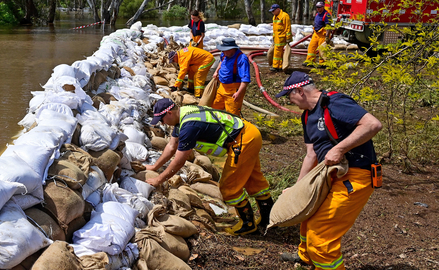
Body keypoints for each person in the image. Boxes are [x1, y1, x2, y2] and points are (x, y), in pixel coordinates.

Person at [276, 72, 382, 270]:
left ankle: (325, 263)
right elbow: (310, 155)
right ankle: (306, 257)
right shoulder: (307, 115)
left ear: (299, 91)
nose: (291, 102)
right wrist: (296, 189)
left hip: (355, 175)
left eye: (289, 96)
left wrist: (340, 148)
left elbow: (372, 124)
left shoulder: (334, 103)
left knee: (321, 232)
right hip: (329, 175)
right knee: (307, 215)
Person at [145, 98, 274, 236]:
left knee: (229, 187)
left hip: (243, 141)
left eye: (162, 119)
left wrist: (159, 179)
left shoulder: (189, 126)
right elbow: (171, 146)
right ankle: (268, 219)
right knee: (253, 179)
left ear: (169, 113)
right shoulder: (183, 115)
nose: (162, 123)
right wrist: (154, 167)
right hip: (249, 133)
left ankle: (248, 225)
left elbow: (179, 160)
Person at [212, 38, 251, 115]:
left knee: (232, 114)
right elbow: (221, 61)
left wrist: (239, 93)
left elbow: (245, 79)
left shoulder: (242, 59)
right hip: (222, 87)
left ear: (232, 49)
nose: (222, 52)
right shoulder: (224, 54)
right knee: (215, 108)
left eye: (225, 50)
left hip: (233, 90)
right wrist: (216, 71)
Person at [303, 2, 331, 67]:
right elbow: (315, 24)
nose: (318, 8)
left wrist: (327, 36)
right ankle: (310, 61)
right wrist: (313, 33)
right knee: (311, 47)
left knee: (322, 49)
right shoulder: (317, 14)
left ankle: (323, 63)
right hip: (316, 33)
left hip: (323, 34)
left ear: (323, 7)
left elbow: (328, 26)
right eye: (317, 7)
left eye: (319, 7)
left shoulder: (326, 15)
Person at [269, 3, 292, 72]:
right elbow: (274, 29)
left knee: (277, 52)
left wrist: (288, 37)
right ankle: (279, 66)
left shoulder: (284, 16)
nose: (272, 13)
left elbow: (288, 27)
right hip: (276, 37)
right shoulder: (274, 17)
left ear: (278, 9)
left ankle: (276, 66)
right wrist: (273, 36)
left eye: (273, 11)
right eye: (272, 11)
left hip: (282, 37)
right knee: (279, 52)